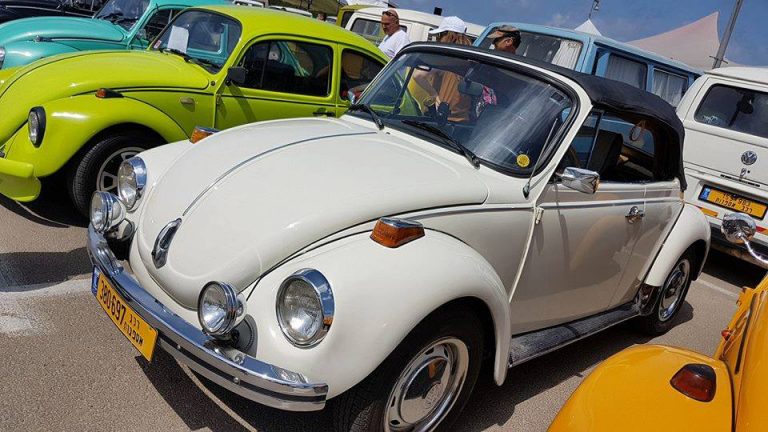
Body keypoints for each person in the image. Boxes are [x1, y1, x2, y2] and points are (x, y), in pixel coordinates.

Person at [411, 16, 474, 122]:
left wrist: (434, 94)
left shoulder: (444, 58)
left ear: (451, 36)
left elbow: (418, 75)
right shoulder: (470, 60)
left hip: (440, 118)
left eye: (440, 35)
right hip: (462, 119)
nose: (438, 39)